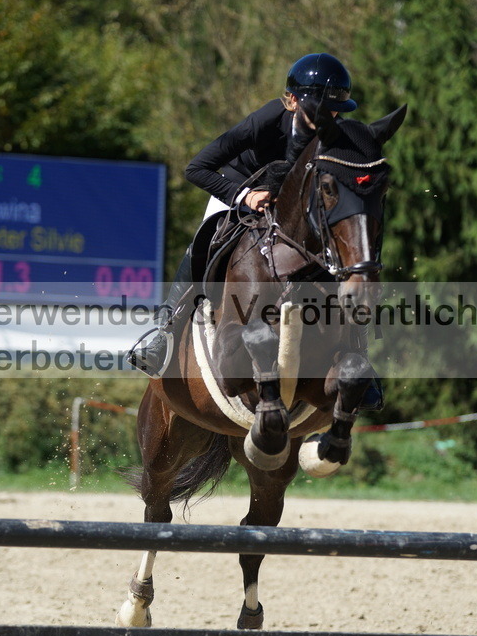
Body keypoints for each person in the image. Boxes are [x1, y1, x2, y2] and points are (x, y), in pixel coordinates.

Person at [127, 52, 383, 410]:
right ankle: (163, 334)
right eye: (321, 110)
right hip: (235, 188)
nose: (330, 120)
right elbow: (196, 168)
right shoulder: (263, 122)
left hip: (290, 203)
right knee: (202, 242)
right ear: (291, 100)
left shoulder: (335, 136)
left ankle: (359, 353)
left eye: (337, 111)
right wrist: (244, 195)